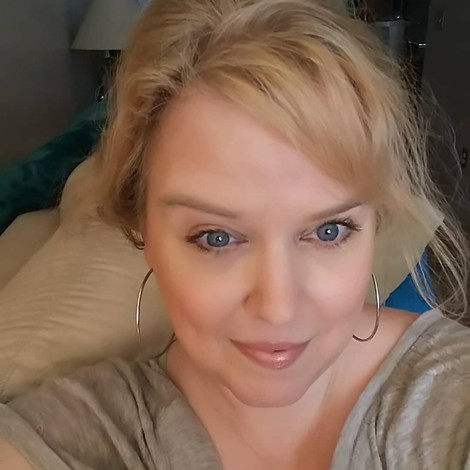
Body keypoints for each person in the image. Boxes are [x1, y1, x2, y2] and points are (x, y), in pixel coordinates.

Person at [0, 0, 469, 468]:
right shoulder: (73, 434)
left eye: (329, 231)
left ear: (376, 221)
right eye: (217, 237)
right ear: (142, 229)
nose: (278, 307)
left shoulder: (449, 396)